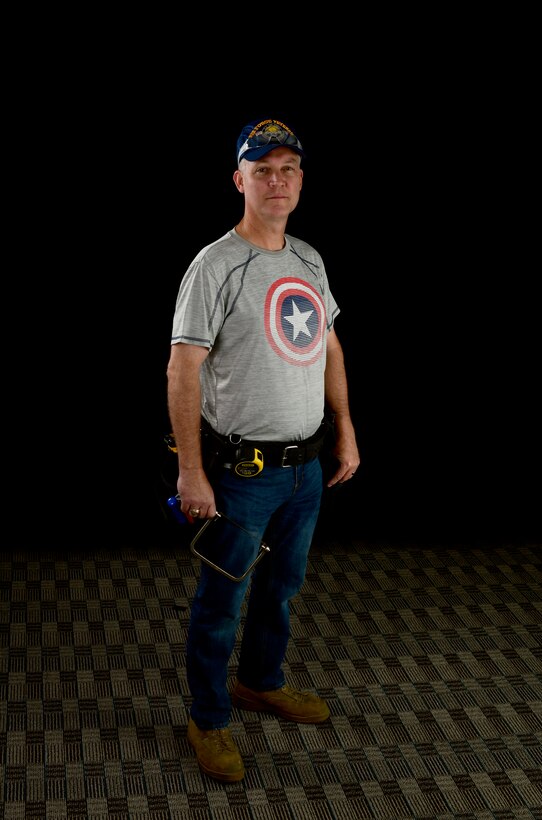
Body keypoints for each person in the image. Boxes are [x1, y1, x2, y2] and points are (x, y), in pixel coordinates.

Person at [166, 116, 360, 782]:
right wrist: (191, 470)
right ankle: (208, 717)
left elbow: (328, 345)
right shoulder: (215, 263)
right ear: (238, 179)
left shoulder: (307, 258)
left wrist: (346, 428)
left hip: (304, 467)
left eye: (288, 169)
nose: (276, 181)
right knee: (221, 603)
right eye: (262, 169)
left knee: (280, 590)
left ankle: (260, 682)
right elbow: (182, 370)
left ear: (300, 180)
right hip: (242, 473)